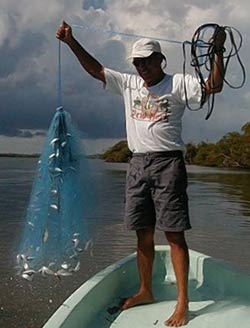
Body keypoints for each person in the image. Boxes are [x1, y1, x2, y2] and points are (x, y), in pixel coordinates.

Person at [56, 21, 226, 327]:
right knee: (142, 233)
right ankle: (146, 290)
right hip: (137, 165)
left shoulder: (178, 83)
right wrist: (71, 42)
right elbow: (96, 70)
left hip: (168, 164)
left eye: (147, 60)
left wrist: (218, 51)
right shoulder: (129, 83)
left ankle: (183, 304)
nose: (142, 67)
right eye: (137, 62)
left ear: (160, 59)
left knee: (174, 234)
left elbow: (213, 86)